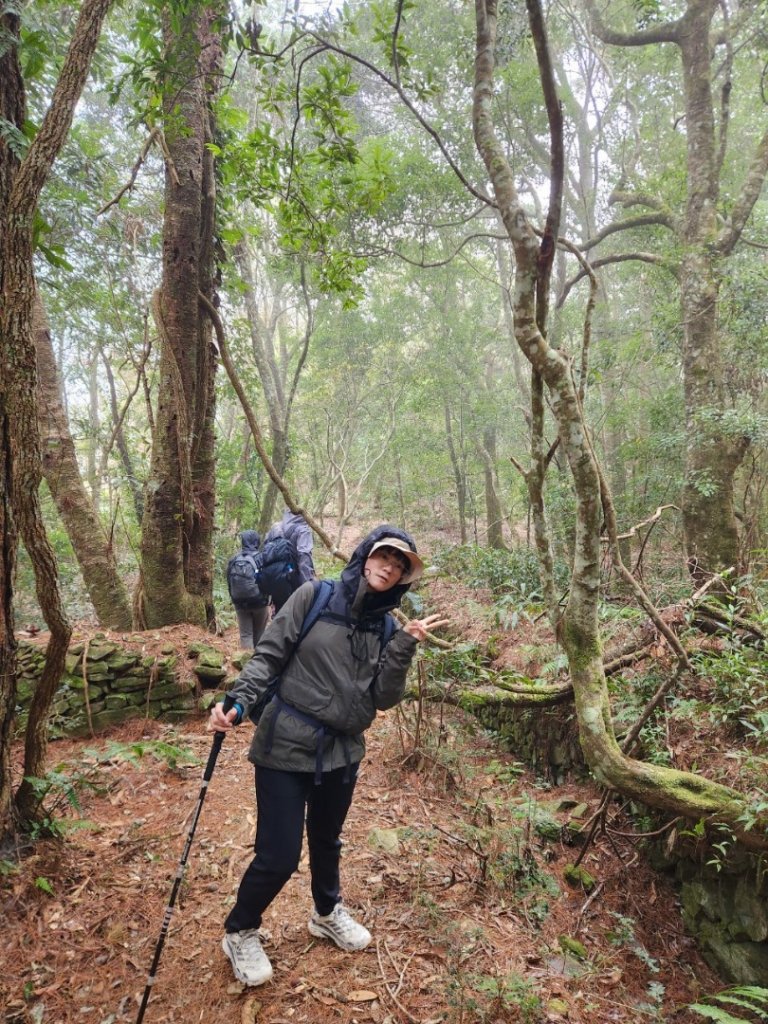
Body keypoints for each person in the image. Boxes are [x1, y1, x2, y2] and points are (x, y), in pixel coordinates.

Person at [210, 525, 448, 988]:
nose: (390, 567)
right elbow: (268, 655)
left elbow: (383, 698)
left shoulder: (385, 627)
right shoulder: (314, 596)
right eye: (385, 557)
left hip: (342, 751)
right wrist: (238, 702)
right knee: (278, 856)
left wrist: (404, 646)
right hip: (285, 744)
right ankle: (240, 929)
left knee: (327, 839)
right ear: (365, 556)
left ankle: (325, 912)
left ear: (403, 579)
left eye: (400, 566)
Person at [261, 509, 316, 612]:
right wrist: (309, 585)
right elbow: (304, 556)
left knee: (280, 613)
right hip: (293, 579)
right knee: (297, 614)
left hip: (276, 579)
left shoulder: (275, 527)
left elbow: (265, 551)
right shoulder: (303, 529)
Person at [227, 530, 270, 649]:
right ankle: (258, 663)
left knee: (246, 635)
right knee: (259, 635)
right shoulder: (261, 558)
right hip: (259, 602)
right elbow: (267, 579)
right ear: (257, 541)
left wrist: (234, 597)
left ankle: (245, 663)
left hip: (239, 602)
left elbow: (229, 580)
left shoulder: (234, 559)